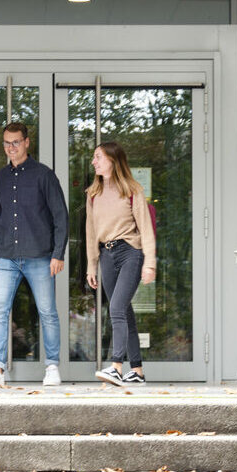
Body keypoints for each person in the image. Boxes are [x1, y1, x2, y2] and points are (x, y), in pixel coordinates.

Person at [0, 121, 67, 388]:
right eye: (6, 143)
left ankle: (51, 366)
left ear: (27, 142)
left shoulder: (44, 175)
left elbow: (61, 217)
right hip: (5, 256)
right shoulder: (1, 177)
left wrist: (58, 254)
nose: (10, 147)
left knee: (47, 311)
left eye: (15, 142)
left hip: (40, 256)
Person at [83, 142, 157, 387]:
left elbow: (145, 228)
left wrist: (150, 263)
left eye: (98, 158)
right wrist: (91, 265)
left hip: (130, 253)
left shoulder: (132, 189)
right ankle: (137, 370)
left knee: (116, 307)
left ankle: (116, 366)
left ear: (113, 161)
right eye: (94, 158)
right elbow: (91, 232)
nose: (94, 162)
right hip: (106, 254)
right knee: (124, 312)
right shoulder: (93, 194)